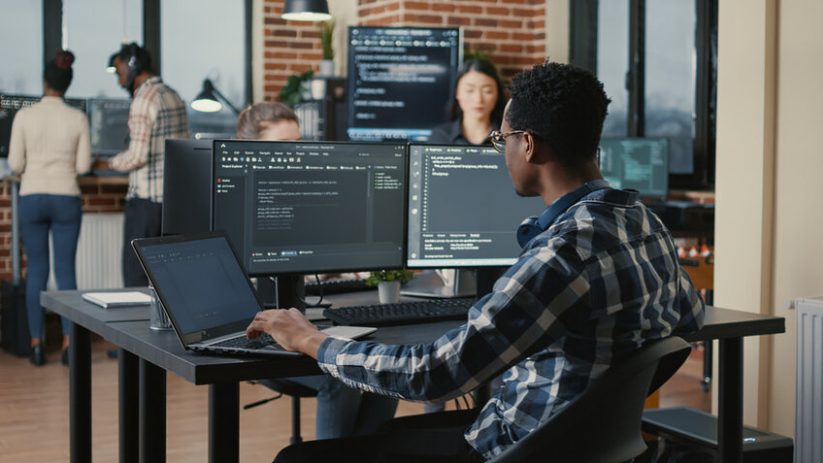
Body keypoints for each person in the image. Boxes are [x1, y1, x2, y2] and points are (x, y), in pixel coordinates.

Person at [245, 62, 706, 462]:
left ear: (529, 145)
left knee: (298, 457)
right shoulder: (643, 221)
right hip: (585, 443)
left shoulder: (562, 253)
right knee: (380, 436)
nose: (499, 151)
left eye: (500, 139)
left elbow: (433, 375)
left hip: (516, 449)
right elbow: (690, 319)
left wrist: (311, 340)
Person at [236, 101, 398, 439]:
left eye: (299, 145)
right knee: (339, 377)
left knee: (381, 366)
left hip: (307, 325)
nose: (296, 156)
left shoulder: (311, 193)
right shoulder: (239, 203)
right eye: (284, 147)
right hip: (260, 338)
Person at [8, 50, 92, 367]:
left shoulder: (25, 116)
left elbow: (15, 163)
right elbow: (83, 165)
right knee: (66, 272)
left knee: (37, 273)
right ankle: (70, 344)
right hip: (65, 195)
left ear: (45, 81)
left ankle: (36, 344)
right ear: (67, 83)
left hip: (31, 196)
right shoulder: (78, 118)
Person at [95, 42, 189, 287]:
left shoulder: (143, 99)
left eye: (118, 71)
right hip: (173, 201)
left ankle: (134, 326)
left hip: (146, 200)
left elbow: (137, 156)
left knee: (136, 273)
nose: (118, 80)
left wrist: (107, 163)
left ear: (132, 65)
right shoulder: (173, 94)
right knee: (170, 274)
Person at [428, 58, 506, 145]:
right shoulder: (441, 137)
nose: (478, 99)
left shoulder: (508, 138)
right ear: (457, 93)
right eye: (469, 90)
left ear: (497, 94)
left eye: (487, 91)